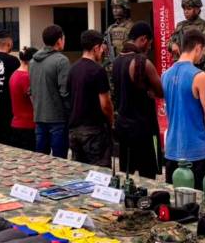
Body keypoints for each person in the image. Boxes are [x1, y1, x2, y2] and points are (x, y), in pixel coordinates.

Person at [162, 29, 205, 190]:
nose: (201, 56)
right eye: (203, 51)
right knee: (198, 202)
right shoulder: (199, 76)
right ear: (198, 48)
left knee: (175, 201)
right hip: (196, 150)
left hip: (172, 149)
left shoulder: (165, 75)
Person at [113, 21, 164, 179]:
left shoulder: (116, 62)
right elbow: (161, 92)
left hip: (123, 127)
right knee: (148, 176)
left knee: (127, 174)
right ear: (143, 39)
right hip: (144, 130)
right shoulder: (143, 63)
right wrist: (150, 90)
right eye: (149, 43)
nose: (149, 47)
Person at [67, 30, 114, 167]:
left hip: (74, 130)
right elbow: (105, 103)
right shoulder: (98, 71)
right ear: (95, 48)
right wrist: (111, 121)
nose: (102, 52)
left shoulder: (73, 69)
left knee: (80, 171)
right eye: (101, 49)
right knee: (100, 173)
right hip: (93, 131)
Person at [29, 25, 71, 158]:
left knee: (41, 159)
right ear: (59, 40)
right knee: (60, 160)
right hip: (57, 118)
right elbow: (65, 92)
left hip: (39, 115)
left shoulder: (32, 62)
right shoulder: (61, 61)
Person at [167, 0, 205, 73]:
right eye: (184, 9)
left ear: (197, 9)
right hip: (179, 71)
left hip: (197, 71)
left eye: (189, 9)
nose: (185, 11)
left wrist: (187, 59)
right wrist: (172, 45)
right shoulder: (180, 25)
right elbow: (169, 42)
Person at [9, 46, 38, 152]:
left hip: (16, 123)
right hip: (28, 125)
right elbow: (35, 102)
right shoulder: (26, 77)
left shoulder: (14, 74)